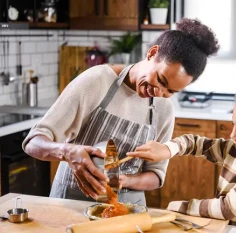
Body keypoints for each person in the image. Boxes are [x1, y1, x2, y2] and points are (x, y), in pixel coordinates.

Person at [22, 18, 220, 206]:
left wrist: (124, 181)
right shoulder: (97, 81)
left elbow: (156, 175)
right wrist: (67, 152)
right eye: (160, 80)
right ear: (152, 54)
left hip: (128, 209)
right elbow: (33, 142)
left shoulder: (164, 110)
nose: (160, 92)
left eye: (171, 91)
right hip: (72, 203)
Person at [127, 80, 236, 220]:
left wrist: (176, 207)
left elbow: (227, 208)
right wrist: (167, 150)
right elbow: (194, 142)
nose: (233, 135)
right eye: (234, 125)